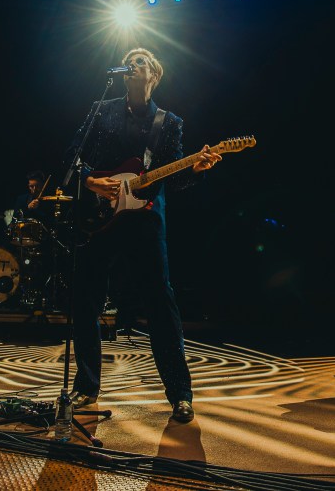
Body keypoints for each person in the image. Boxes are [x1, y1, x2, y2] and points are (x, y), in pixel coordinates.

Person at [63, 47, 221, 423]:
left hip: (145, 220)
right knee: (84, 298)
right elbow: (73, 156)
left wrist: (196, 168)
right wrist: (91, 181)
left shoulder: (169, 123)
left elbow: (174, 177)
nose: (133, 64)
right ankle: (86, 387)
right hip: (100, 217)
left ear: (154, 75)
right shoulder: (101, 109)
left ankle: (181, 394)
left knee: (160, 303)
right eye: (129, 60)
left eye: (141, 61)